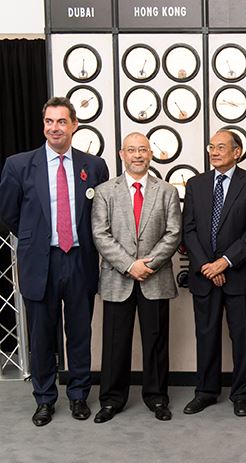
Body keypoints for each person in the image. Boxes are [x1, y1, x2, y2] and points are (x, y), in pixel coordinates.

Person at [0, 97, 109, 426]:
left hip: (79, 261)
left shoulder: (95, 166)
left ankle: (78, 396)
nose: (54, 128)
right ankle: (45, 399)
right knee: (42, 335)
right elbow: (9, 214)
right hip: (40, 262)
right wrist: (36, 238)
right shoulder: (18, 165)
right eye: (49, 121)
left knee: (79, 334)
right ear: (43, 124)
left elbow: (100, 214)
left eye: (61, 121)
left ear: (74, 125)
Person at [90, 132, 181, 423]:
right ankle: (111, 400)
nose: (138, 155)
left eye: (143, 149)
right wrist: (130, 265)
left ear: (150, 153)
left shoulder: (167, 191)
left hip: (155, 277)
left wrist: (147, 264)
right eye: (132, 150)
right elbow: (100, 234)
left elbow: (173, 233)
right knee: (115, 343)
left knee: (156, 342)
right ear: (122, 154)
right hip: (118, 278)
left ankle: (157, 397)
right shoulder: (105, 191)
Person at [182, 130, 246, 417]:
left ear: (236, 152)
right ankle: (205, 391)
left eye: (221, 147)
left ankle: (241, 395)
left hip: (238, 274)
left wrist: (225, 262)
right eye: (211, 147)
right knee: (206, 335)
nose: (214, 152)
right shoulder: (196, 184)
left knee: (242, 338)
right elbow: (188, 229)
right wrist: (208, 265)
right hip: (204, 274)